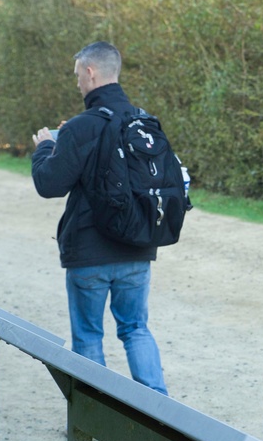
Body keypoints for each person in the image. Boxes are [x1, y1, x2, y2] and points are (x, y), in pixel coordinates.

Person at [31, 41, 168, 395]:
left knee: (89, 336)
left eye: (78, 75)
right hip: (137, 248)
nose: (77, 82)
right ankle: (163, 415)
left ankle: (94, 421)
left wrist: (46, 146)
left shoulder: (81, 127)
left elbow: (49, 184)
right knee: (136, 329)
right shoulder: (143, 121)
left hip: (89, 255)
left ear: (90, 72)